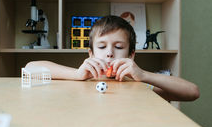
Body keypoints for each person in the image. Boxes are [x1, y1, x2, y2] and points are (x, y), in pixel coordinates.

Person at [25, 15, 200, 102]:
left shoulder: (140, 85)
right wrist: (77, 74)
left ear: (131, 55)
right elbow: (30, 68)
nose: (109, 53)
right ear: (91, 54)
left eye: (118, 47)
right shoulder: (80, 79)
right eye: (102, 47)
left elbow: (193, 92)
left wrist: (144, 75)